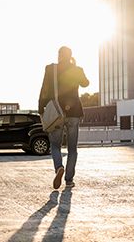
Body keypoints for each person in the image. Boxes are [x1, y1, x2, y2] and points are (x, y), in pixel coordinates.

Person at [38, 46, 89, 189]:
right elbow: (86, 83)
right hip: (74, 113)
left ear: (59, 55)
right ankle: (69, 180)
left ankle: (59, 167)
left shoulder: (50, 69)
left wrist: (41, 108)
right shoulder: (77, 69)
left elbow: (44, 89)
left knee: (55, 145)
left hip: (56, 113)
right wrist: (77, 69)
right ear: (70, 55)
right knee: (72, 149)